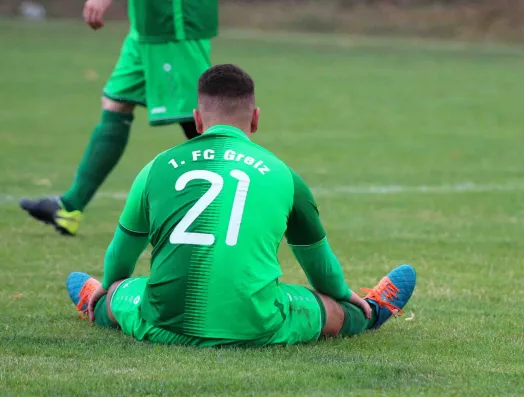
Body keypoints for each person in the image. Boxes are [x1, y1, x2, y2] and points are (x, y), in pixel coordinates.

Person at [64, 64, 417, 346]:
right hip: (255, 327)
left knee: (124, 291)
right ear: (256, 119)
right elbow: (319, 266)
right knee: (331, 311)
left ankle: (97, 304)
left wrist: (110, 286)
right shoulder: (284, 174)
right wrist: (341, 294)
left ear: (197, 121)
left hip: (163, 325)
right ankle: (371, 311)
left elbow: (120, 254)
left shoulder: (155, 168)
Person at [19, 0, 218, 236]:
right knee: (117, 103)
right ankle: (70, 207)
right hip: (146, 23)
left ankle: (237, 204)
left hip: (174, 20)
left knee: (194, 115)